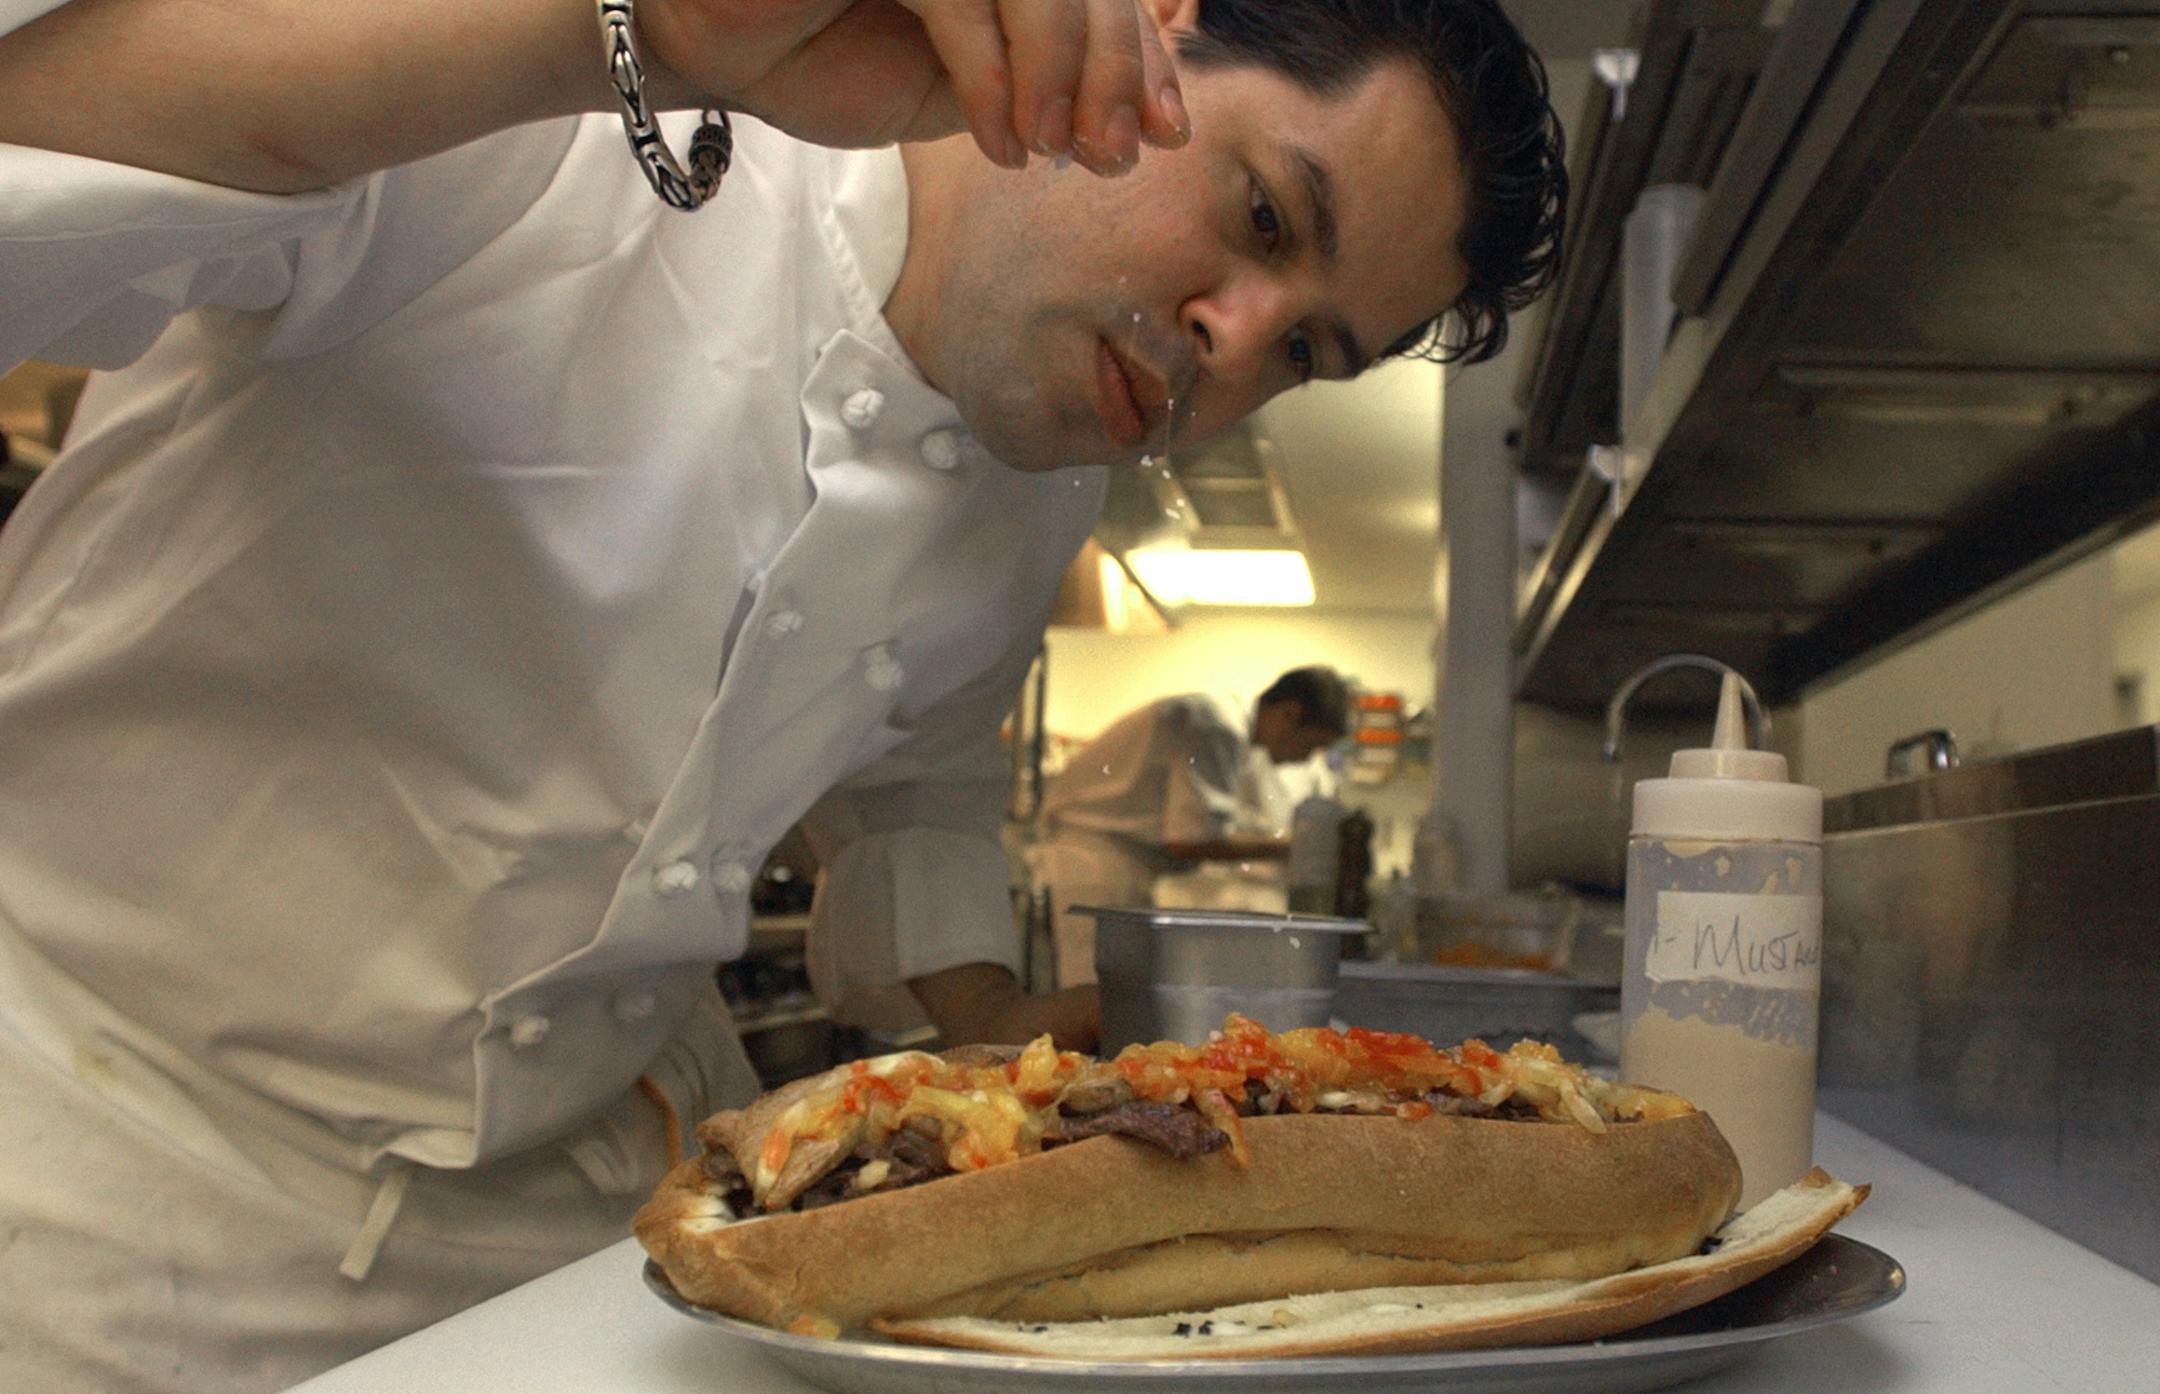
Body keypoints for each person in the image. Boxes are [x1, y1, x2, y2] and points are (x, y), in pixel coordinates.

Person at [0, 0, 1566, 1388]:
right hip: (98, 1146)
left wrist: (984, 1019)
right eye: (1262, 213)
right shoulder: (592, 111)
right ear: (1139, 28)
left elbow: (922, 771)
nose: (1231, 344)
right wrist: (631, 33)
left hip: (563, 1219)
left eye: (1305, 347)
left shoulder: (1039, 485)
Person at [1028, 665, 1351, 985]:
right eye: (1311, 745)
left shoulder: (1221, 721)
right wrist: (1297, 849)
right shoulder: (1219, 727)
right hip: (1099, 863)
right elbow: (1188, 840)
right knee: (1097, 990)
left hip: (1111, 859)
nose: (1307, 758)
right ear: (1289, 714)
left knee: (1116, 988)